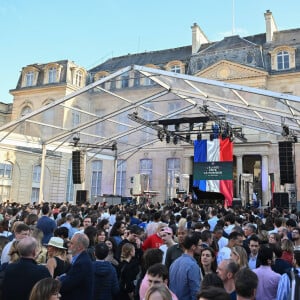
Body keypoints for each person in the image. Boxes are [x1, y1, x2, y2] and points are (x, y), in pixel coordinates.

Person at [58, 233, 94, 300]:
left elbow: (67, 284)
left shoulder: (82, 263)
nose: (68, 245)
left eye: (72, 243)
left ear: (79, 247)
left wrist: (59, 279)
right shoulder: (79, 259)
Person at [169, 232, 201, 300]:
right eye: (200, 245)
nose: (201, 248)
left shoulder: (174, 263)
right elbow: (195, 292)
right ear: (193, 247)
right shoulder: (192, 266)